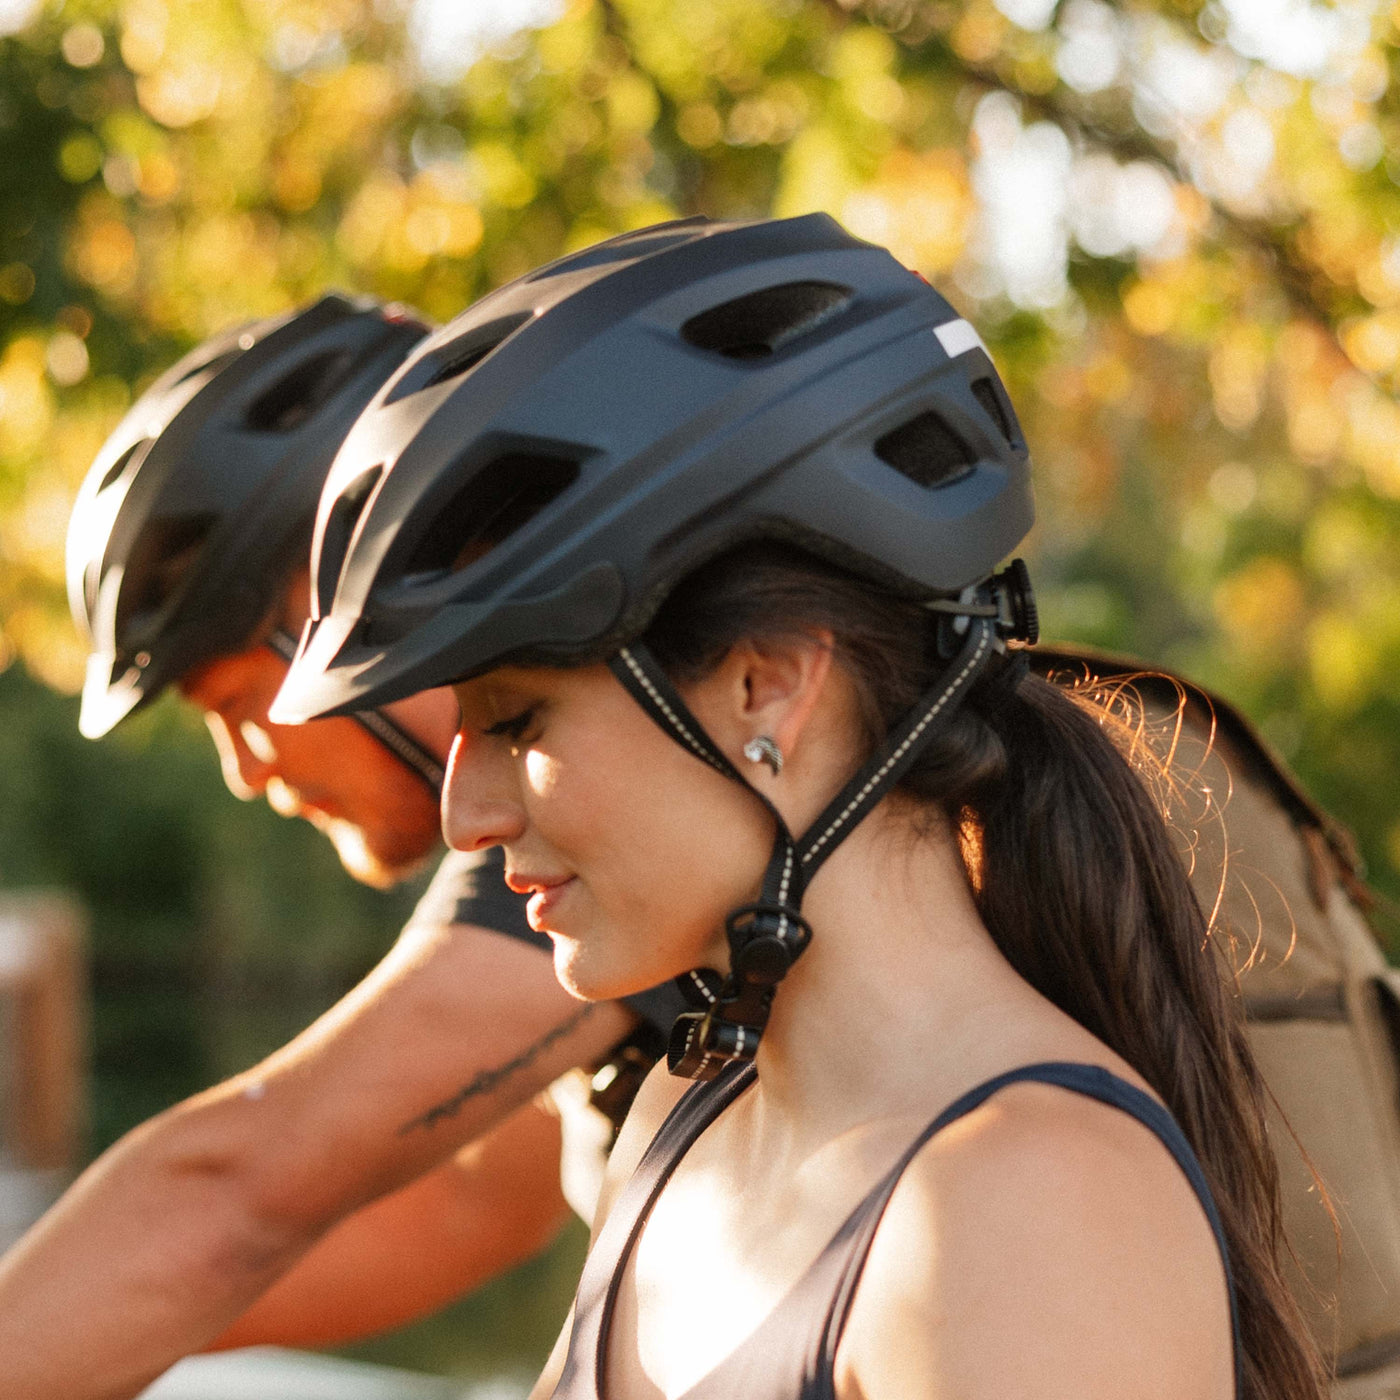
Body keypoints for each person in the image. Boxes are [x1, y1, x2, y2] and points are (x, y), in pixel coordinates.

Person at [273, 213, 1329, 1398]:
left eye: (517, 719)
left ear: (765, 684)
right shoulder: (684, 1108)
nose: (464, 815)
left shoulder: (1026, 1202)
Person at [0, 293, 681, 1400]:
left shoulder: (614, 800)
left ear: (352, 598)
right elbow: (466, 1197)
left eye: (236, 702)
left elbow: (239, 1185)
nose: (244, 769)